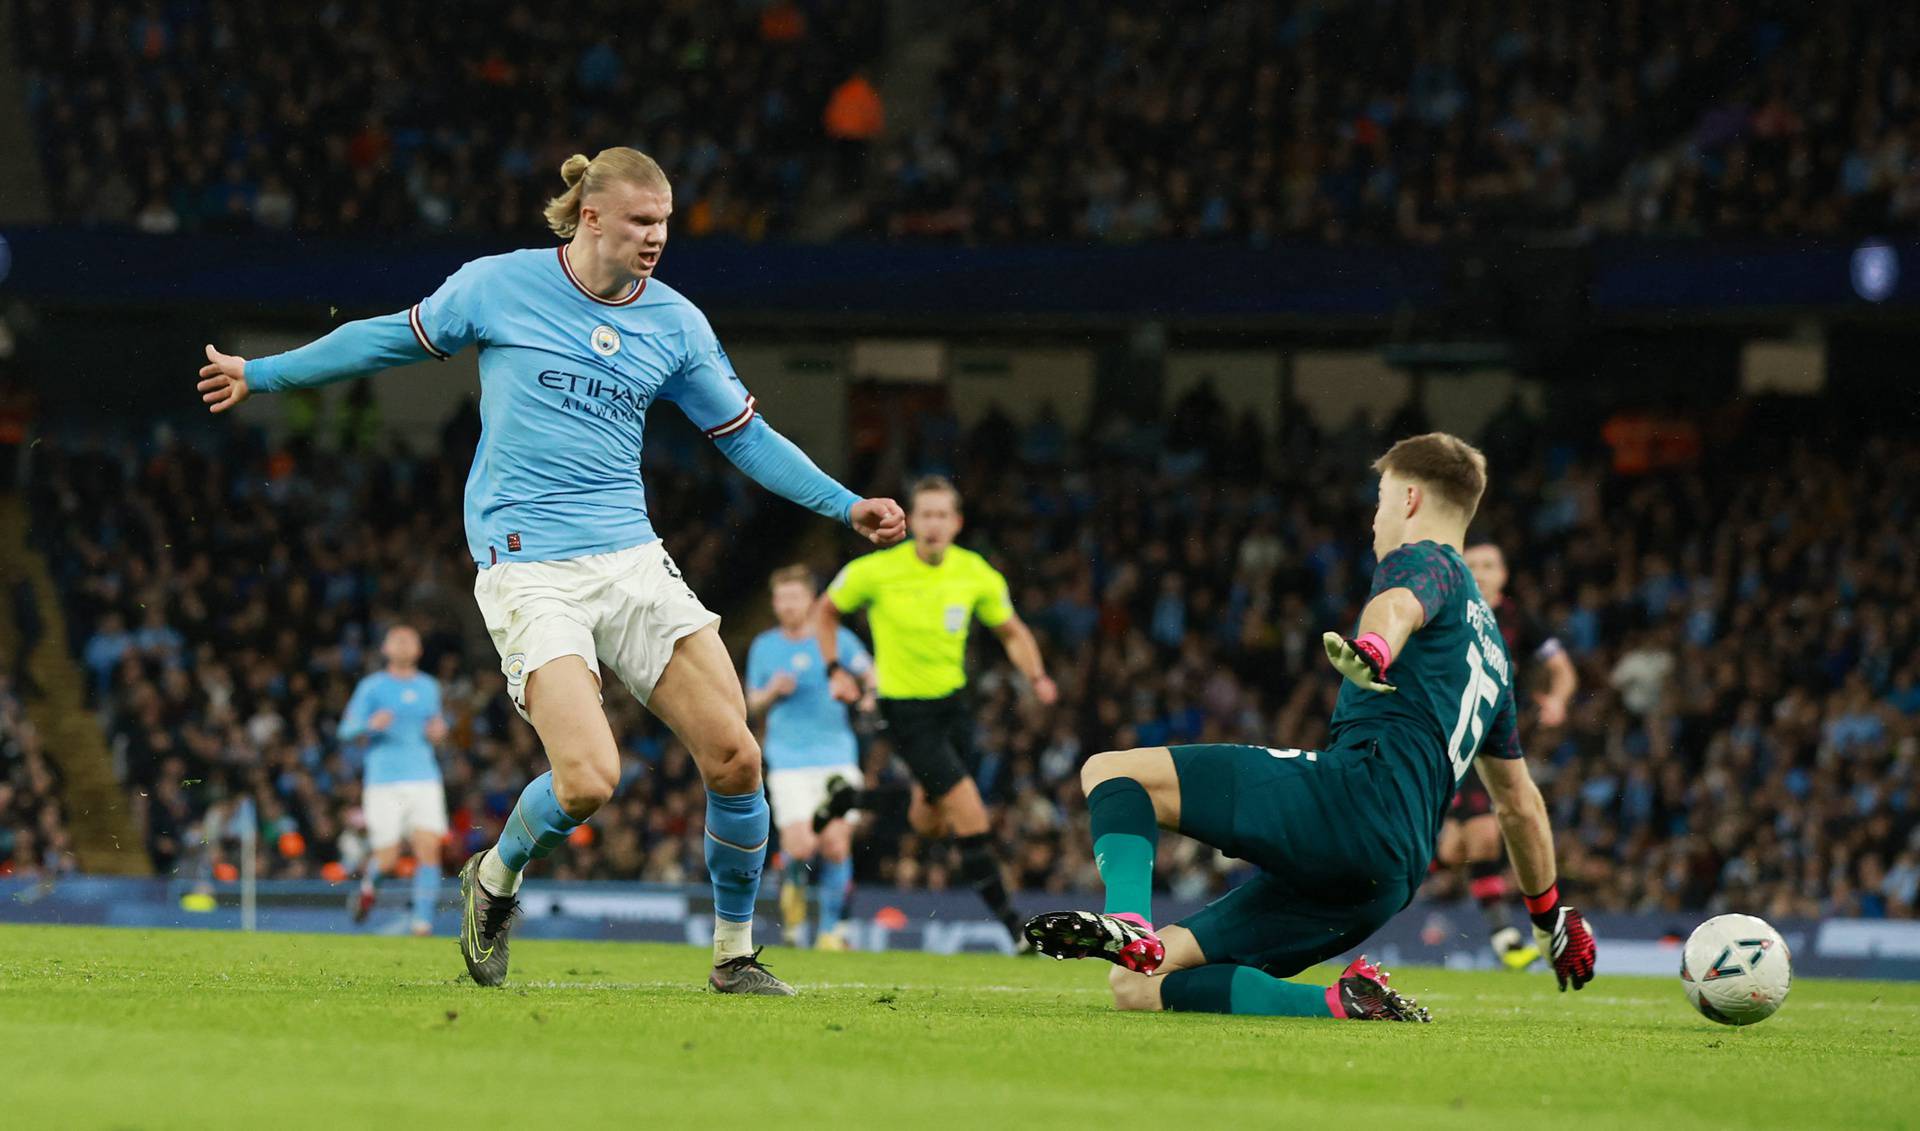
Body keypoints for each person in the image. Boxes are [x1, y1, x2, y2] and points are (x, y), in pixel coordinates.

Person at [195, 147, 907, 993]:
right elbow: (387, 337)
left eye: (666, 222)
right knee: (588, 780)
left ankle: (733, 953)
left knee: (735, 758)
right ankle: (494, 879)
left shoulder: (676, 323)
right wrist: (262, 373)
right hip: (529, 567)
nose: (658, 237)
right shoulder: (498, 285)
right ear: (593, 217)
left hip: (632, 558)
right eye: (643, 221)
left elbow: (746, 435)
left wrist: (842, 503)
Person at [1024, 433, 1597, 1020]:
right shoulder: (1496, 654)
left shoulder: (1424, 560)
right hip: (1392, 876)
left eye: (1379, 499)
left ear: (1409, 499)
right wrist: (1550, 916)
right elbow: (1520, 805)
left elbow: (1399, 605)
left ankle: (1128, 919)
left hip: (1352, 802)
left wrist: (1374, 645)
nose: (1375, 518)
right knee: (1136, 984)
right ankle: (1340, 1003)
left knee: (1111, 772)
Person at [811, 476, 1057, 949]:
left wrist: (1037, 675)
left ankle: (851, 801)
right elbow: (826, 611)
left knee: (931, 821)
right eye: (925, 514)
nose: (934, 524)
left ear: (957, 523)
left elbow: (1012, 632)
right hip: (904, 711)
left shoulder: (975, 573)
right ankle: (1015, 929)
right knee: (969, 813)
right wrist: (834, 669)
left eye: (943, 515)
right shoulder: (876, 571)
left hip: (954, 709)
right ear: (911, 520)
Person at [1444, 540, 1579, 968]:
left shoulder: (1521, 620)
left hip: (1492, 742)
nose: (1480, 572)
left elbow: (1562, 670)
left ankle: (1504, 933)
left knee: (1483, 836)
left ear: (1503, 575)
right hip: (1445, 736)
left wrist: (1557, 700)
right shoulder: (1450, 611)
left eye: (1489, 565)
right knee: (1452, 850)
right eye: (1473, 565)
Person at [745, 565, 874, 950]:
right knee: (800, 847)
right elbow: (751, 702)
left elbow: (872, 674)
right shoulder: (764, 646)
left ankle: (832, 931)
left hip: (836, 755)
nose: (786, 605)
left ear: (812, 600)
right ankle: (795, 909)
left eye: (794, 597)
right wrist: (771, 691)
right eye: (780, 598)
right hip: (787, 760)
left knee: (836, 843)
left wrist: (867, 697)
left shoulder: (835, 639)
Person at [340, 624, 448, 936]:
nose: (402, 644)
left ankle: (422, 922)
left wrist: (438, 733)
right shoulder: (372, 687)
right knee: (387, 859)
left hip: (424, 776)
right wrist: (370, 725)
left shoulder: (429, 687)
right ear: (385, 649)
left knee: (428, 847)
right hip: (384, 780)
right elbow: (345, 730)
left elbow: (436, 727)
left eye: (409, 640)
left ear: (418, 650)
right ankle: (367, 890)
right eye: (396, 640)